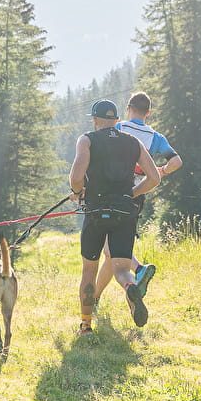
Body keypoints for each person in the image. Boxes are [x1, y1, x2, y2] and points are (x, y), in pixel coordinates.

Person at [68, 99, 161, 336]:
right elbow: (153, 178)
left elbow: (76, 177)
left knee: (90, 270)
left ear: (95, 120)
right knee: (120, 269)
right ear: (117, 121)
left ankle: (86, 326)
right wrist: (131, 194)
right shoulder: (134, 143)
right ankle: (130, 287)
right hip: (123, 212)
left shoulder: (87, 140)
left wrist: (78, 194)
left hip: (96, 211)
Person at [94, 91, 183, 304]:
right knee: (111, 254)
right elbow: (177, 161)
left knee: (112, 250)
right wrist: (160, 171)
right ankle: (97, 298)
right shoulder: (156, 137)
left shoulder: (119, 127)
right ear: (148, 113)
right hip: (137, 195)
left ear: (128, 108)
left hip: (113, 192)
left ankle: (139, 269)